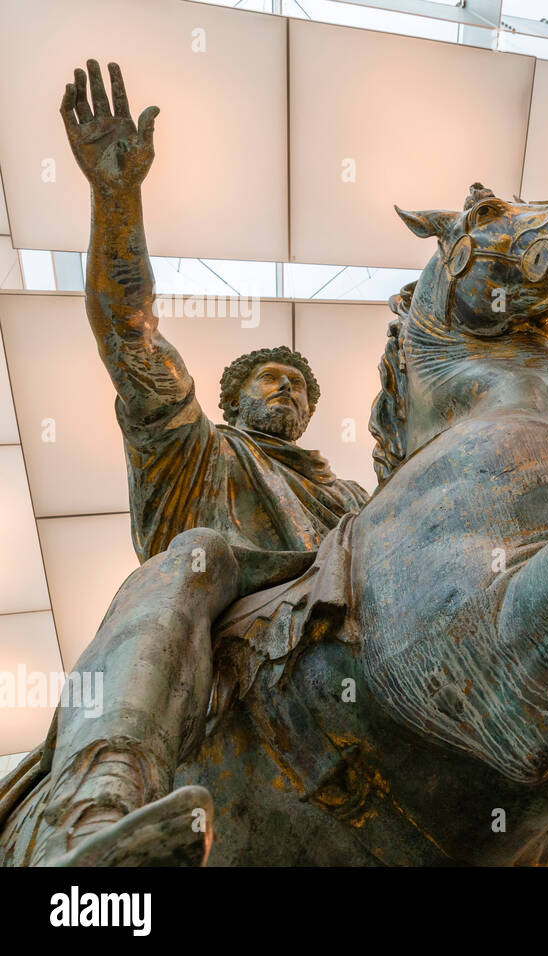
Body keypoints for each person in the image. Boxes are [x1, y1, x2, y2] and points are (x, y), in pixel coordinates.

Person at [28, 60, 367, 865]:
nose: (286, 392)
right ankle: (96, 801)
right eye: (270, 380)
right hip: (226, 615)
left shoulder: (353, 497)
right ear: (235, 398)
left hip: (348, 642)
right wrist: (118, 197)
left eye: (300, 388)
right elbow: (128, 329)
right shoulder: (197, 445)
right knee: (195, 555)